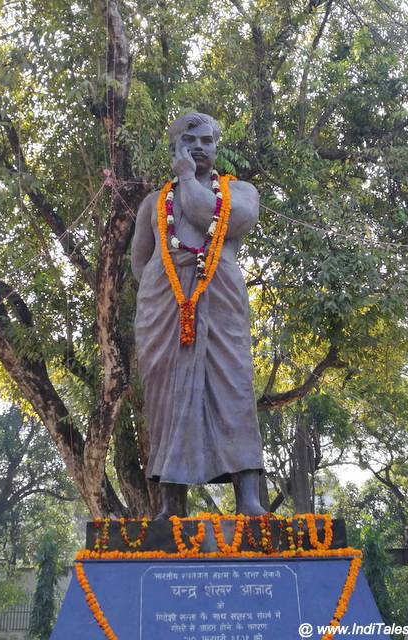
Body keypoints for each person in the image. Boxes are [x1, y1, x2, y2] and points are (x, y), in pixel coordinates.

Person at [131, 112, 265, 518]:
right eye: (191, 141)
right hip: (165, 309)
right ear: (174, 148)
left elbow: (212, 219)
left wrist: (187, 179)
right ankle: (171, 505)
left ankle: (249, 501)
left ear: (217, 147)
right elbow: (140, 261)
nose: (200, 148)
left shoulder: (239, 193)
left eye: (207, 141)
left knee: (234, 388)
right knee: (167, 399)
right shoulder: (153, 204)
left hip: (221, 303)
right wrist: (164, 291)